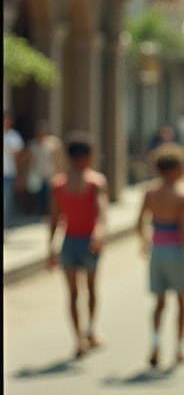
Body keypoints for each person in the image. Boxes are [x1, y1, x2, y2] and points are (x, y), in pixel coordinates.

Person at [47, 133, 108, 358]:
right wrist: (98, 235)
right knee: (89, 289)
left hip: (69, 242)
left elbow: (54, 218)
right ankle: (88, 331)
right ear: (88, 155)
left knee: (73, 293)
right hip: (86, 241)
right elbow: (102, 214)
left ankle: (81, 337)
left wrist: (51, 247)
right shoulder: (96, 181)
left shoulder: (59, 183)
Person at [137, 143, 184, 368]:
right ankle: (181, 347)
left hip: (157, 251)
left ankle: (154, 343)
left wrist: (144, 242)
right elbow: (183, 229)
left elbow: (139, 222)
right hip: (176, 251)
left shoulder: (150, 193)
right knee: (181, 302)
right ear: (174, 169)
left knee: (159, 303)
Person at [27, 120, 64, 216]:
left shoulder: (53, 143)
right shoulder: (33, 145)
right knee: (39, 195)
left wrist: (60, 172)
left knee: (50, 195)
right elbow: (30, 160)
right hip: (38, 174)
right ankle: (40, 212)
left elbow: (59, 158)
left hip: (50, 173)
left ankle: (50, 213)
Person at [4, 109, 25, 231]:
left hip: (8, 174)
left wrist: (19, 175)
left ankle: (6, 226)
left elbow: (19, 158)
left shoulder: (14, 136)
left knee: (7, 202)